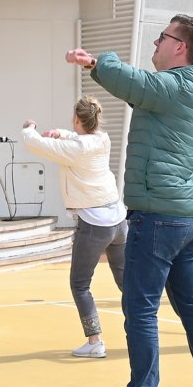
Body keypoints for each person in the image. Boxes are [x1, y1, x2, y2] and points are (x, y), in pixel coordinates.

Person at [67, 15, 193, 387]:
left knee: (139, 308)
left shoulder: (171, 86)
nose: (155, 44)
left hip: (158, 214)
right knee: (191, 305)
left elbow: (134, 82)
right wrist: (94, 67)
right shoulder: (185, 87)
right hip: (186, 215)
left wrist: (99, 60)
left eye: (162, 38)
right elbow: (134, 89)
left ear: (180, 47)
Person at [21, 99, 126, 358]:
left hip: (94, 223)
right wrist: (61, 132)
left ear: (76, 120)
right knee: (127, 282)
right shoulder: (103, 138)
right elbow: (77, 140)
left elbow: (37, 144)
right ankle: (142, 331)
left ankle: (95, 341)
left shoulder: (74, 148)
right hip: (119, 220)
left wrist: (29, 128)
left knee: (80, 285)